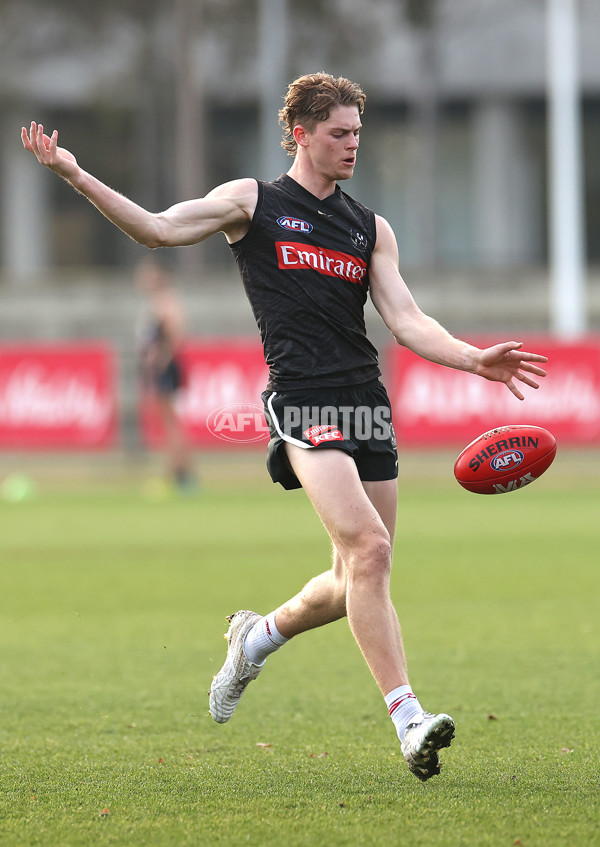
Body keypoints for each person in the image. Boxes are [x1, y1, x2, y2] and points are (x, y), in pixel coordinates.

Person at [22, 72, 547, 781]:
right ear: (301, 132)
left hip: (367, 403)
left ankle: (255, 636)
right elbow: (157, 229)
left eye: (358, 132)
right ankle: (409, 717)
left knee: (358, 570)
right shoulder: (254, 203)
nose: (353, 144)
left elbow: (406, 319)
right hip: (301, 400)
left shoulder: (370, 226)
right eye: (339, 133)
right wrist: (76, 174)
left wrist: (472, 358)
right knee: (369, 547)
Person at [134, 256, 196, 491]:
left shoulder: (166, 301)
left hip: (167, 368)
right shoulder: (157, 301)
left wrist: (161, 360)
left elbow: (174, 333)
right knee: (168, 422)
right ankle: (176, 472)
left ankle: (183, 475)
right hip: (163, 367)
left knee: (172, 423)